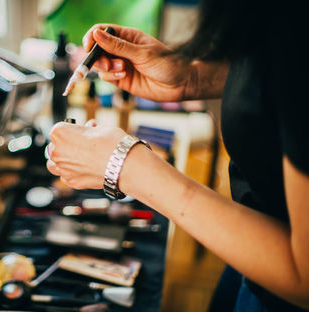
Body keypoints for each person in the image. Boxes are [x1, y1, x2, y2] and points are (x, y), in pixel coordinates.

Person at [45, 1, 309, 311]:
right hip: (250, 239)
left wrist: (128, 167)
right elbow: (279, 74)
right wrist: (192, 78)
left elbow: (303, 278)